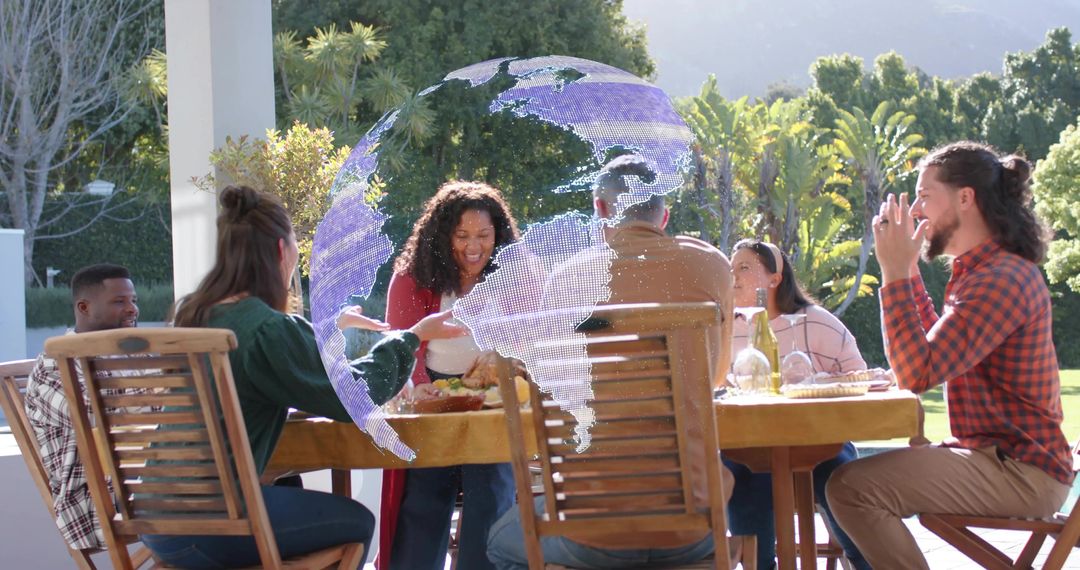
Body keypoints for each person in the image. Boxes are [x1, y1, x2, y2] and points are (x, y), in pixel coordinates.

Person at [140, 185, 465, 568]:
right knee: (356, 521)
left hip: (154, 518)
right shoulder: (267, 329)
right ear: (282, 251)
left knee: (286, 485)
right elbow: (353, 396)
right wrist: (412, 336)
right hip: (213, 523)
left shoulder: (195, 318)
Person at [825, 142, 1073, 569]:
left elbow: (916, 373)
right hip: (997, 458)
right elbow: (934, 350)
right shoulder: (982, 272)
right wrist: (907, 272)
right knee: (839, 480)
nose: (917, 210)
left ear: (965, 197)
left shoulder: (1001, 279)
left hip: (1020, 472)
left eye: (924, 196)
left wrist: (894, 273)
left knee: (852, 488)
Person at [488, 154, 736, 569]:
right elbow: (718, 374)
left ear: (600, 209)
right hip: (692, 527)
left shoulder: (568, 279)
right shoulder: (712, 266)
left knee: (499, 543)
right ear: (664, 215)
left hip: (590, 532)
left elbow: (557, 396)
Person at [380, 180, 521, 570]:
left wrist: (503, 358)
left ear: (499, 234)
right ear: (443, 235)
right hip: (431, 404)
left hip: (491, 407)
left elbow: (531, 336)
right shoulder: (413, 277)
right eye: (461, 235)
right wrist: (423, 388)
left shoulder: (515, 272)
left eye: (484, 235)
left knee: (492, 490)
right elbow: (399, 349)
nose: (473, 246)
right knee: (423, 497)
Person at [724, 239, 871, 570]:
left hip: (819, 441)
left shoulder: (815, 322)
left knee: (837, 476)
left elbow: (858, 376)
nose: (734, 276)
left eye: (744, 267)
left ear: (775, 279)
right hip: (751, 446)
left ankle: (864, 561)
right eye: (731, 268)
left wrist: (819, 387)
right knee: (739, 474)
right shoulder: (724, 329)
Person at [25, 263, 140, 553]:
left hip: (143, 482)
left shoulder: (135, 354)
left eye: (133, 300)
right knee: (230, 498)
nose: (132, 309)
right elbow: (100, 418)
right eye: (119, 301)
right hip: (94, 504)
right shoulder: (55, 365)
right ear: (84, 307)